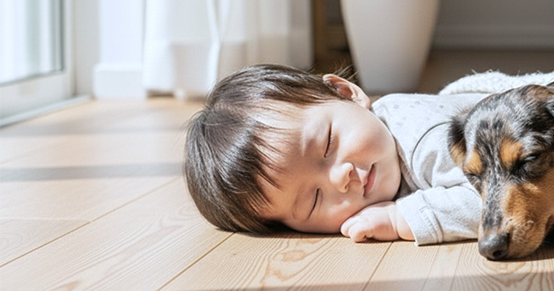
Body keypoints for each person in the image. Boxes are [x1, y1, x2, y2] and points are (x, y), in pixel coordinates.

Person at [184, 64, 484, 244]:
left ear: (346, 94)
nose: (342, 179)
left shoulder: (424, 138)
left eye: (328, 144)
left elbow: (504, 197)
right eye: (314, 199)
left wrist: (401, 217)